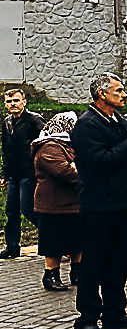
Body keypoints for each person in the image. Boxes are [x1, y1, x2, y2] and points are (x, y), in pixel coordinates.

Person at [71, 72, 127, 329]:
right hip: (98, 204)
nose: (124, 95)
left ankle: (114, 311)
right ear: (102, 94)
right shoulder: (87, 125)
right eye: (118, 91)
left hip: (121, 202)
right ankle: (87, 318)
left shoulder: (120, 121)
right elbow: (100, 162)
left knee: (117, 261)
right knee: (94, 263)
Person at [32, 111, 81, 291]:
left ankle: (78, 272)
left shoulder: (68, 145)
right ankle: (51, 275)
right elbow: (66, 173)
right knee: (54, 242)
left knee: (78, 240)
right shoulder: (49, 147)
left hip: (73, 203)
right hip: (53, 205)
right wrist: (80, 167)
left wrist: (78, 165)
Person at [1, 88, 43, 258]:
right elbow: (6, 149)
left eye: (16, 100)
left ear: (24, 102)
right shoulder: (6, 122)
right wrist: (4, 174)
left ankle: (57, 236)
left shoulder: (34, 120)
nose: (13, 104)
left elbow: (45, 142)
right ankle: (12, 247)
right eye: (9, 101)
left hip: (30, 173)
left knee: (28, 209)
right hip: (14, 175)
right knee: (11, 211)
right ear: (5, 104)